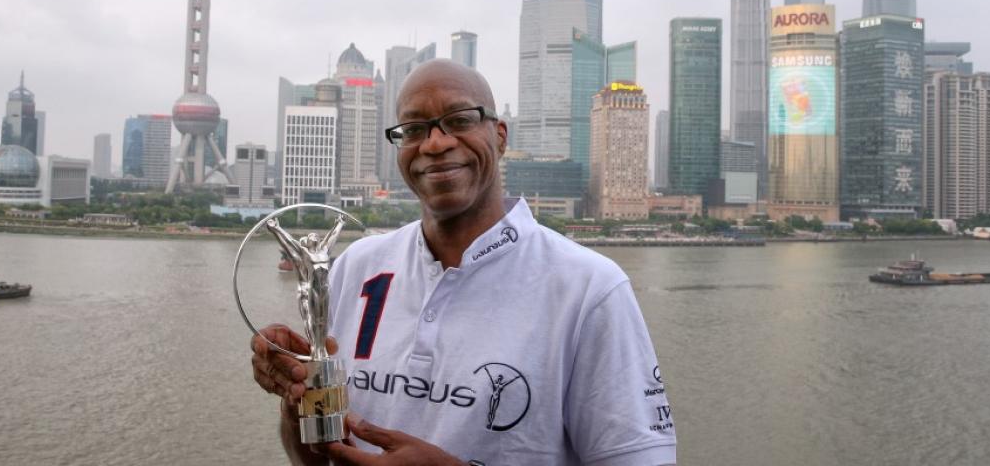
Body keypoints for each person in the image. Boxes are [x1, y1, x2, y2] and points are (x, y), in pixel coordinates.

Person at [251, 60, 677, 465]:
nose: (435, 144)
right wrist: (299, 403)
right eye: (415, 128)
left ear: (501, 136)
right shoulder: (356, 268)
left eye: (459, 120)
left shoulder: (590, 290)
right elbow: (311, 460)